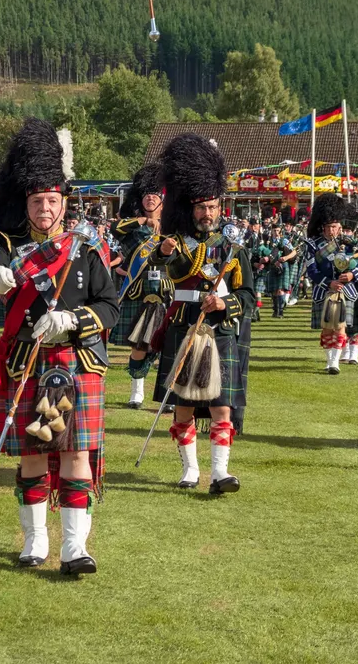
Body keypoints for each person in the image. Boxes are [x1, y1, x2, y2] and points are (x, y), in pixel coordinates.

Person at [0, 119, 118, 574]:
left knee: (76, 454)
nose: (45, 209)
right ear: (27, 203)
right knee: (35, 453)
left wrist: (73, 319)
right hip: (28, 361)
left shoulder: (85, 247)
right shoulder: (9, 245)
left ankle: (75, 549)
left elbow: (110, 306)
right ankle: (34, 542)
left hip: (76, 359)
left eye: (52, 201)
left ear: (63, 203)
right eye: (38, 201)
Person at [152, 133, 254, 494]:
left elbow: (249, 295)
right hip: (184, 326)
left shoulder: (233, 247)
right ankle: (190, 470)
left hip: (220, 330)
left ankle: (220, 474)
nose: (207, 214)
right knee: (183, 406)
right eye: (201, 208)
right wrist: (163, 250)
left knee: (220, 407)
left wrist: (226, 303)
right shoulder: (176, 242)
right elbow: (163, 265)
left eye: (212, 207)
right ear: (189, 208)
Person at [110, 162, 169, 408]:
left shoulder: (174, 226)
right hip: (138, 290)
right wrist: (142, 221)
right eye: (146, 194)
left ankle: (168, 397)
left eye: (155, 194)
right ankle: (137, 393)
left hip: (167, 290)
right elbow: (115, 229)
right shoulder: (132, 226)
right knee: (138, 344)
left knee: (170, 346)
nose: (150, 198)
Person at [305, 194, 358, 373]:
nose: (333, 230)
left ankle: (335, 363)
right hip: (324, 290)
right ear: (323, 227)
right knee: (327, 329)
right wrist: (329, 283)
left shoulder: (350, 243)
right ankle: (329, 360)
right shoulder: (313, 245)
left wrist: (351, 274)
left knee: (340, 327)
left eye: (336, 226)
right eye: (330, 227)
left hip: (347, 289)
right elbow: (312, 271)